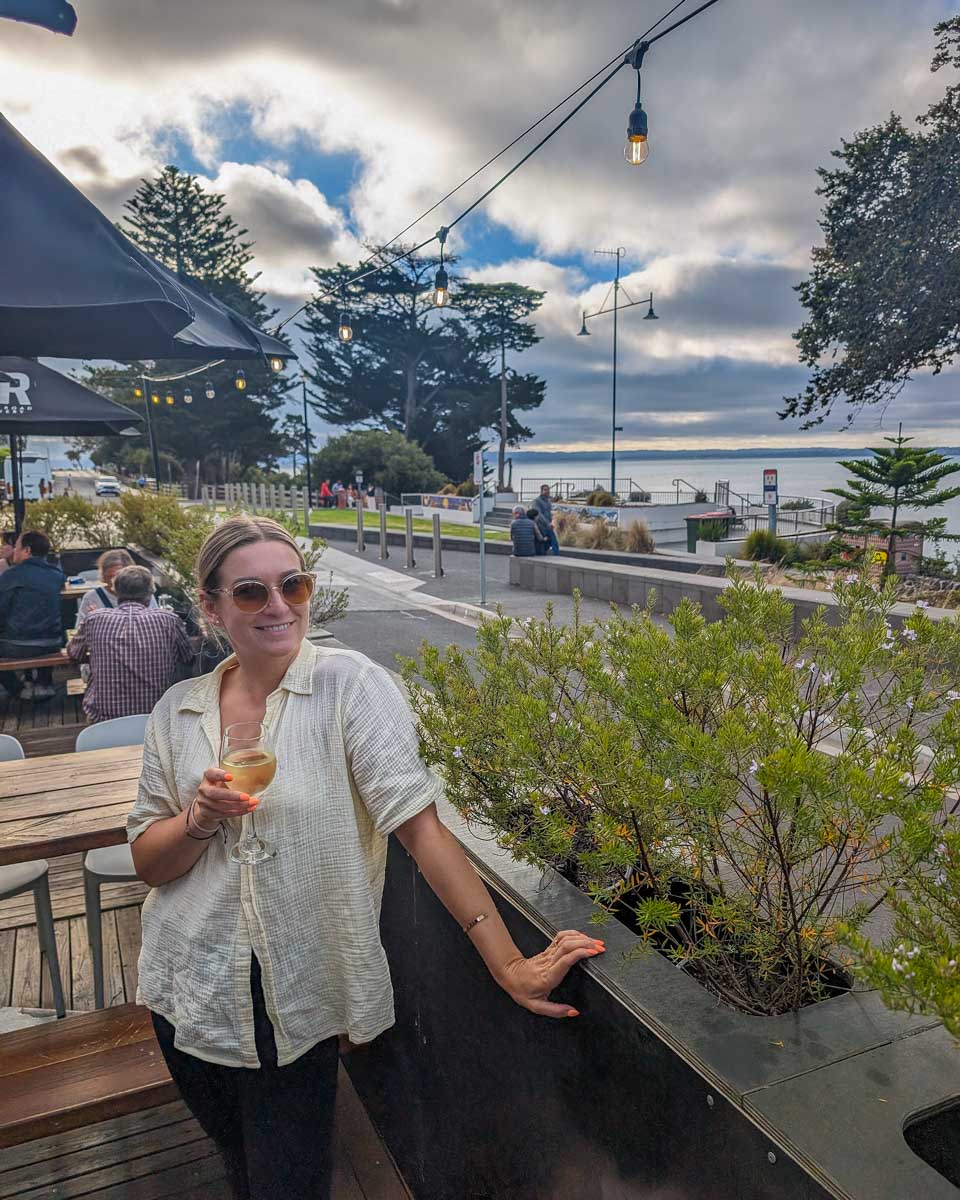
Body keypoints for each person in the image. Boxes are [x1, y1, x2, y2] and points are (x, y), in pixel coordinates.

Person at [127, 515, 602, 1200]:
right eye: (252, 592)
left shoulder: (348, 685)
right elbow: (148, 861)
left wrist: (509, 966)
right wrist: (199, 819)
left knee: (288, 1180)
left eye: (293, 584)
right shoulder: (178, 713)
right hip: (186, 987)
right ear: (211, 607)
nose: (279, 605)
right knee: (238, 1163)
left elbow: (421, 829)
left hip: (293, 996)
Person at [66, 565, 193, 724]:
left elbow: (73, 653)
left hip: (104, 719)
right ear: (150, 592)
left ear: (116, 590)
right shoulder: (169, 619)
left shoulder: (94, 619)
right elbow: (189, 658)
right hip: (157, 717)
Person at [0, 530, 64, 700]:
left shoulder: (10, 576)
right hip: (53, 643)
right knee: (43, 625)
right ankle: (43, 683)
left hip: (17, 645)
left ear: (27, 551)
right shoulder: (57, 575)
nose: (14, 551)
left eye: (17, 547)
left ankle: (18, 690)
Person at [76, 548, 159, 625]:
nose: (114, 583)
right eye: (110, 577)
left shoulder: (144, 593)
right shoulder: (91, 597)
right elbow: (79, 628)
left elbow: (155, 623)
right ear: (103, 576)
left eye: (119, 577)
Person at [533, 484, 561, 556]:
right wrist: (547, 523)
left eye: (548, 490)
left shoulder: (548, 501)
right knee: (545, 542)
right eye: (545, 490)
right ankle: (544, 554)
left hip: (548, 525)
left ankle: (557, 557)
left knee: (554, 542)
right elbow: (539, 514)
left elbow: (548, 513)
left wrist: (551, 522)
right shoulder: (537, 501)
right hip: (541, 526)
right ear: (541, 491)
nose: (547, 491)